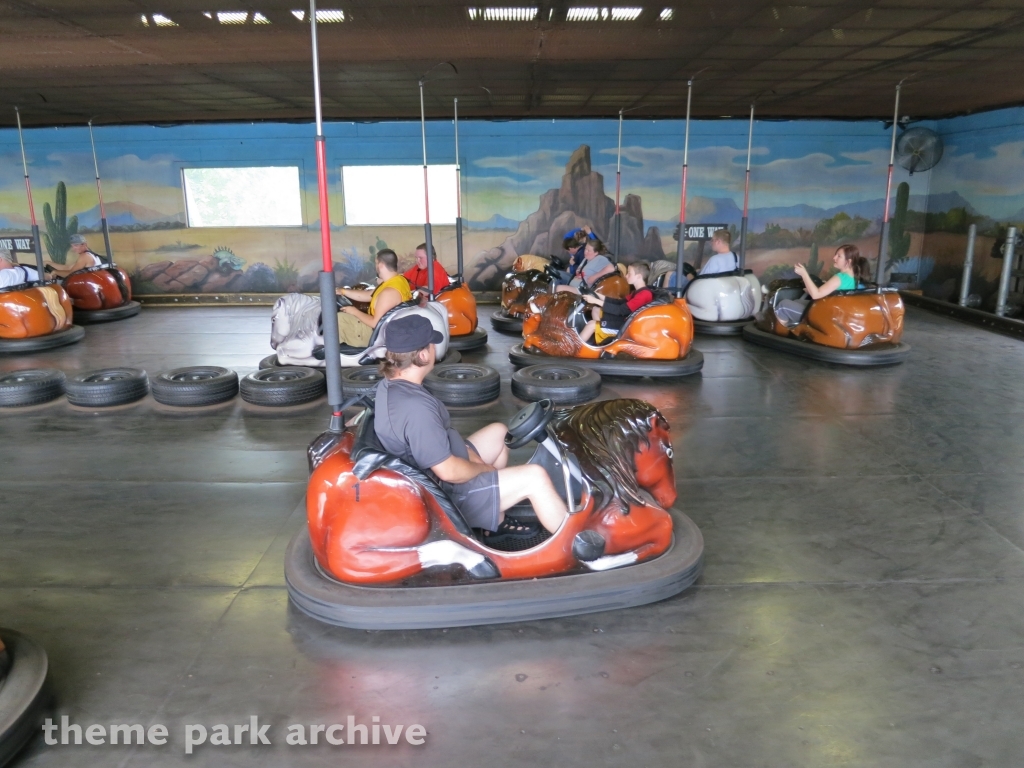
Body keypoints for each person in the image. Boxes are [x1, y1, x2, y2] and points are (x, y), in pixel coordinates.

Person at [373, 314, 568, 541]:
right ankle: (578, 545)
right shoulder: (415, 408)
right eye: (431, 344)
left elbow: (438, 445)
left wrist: (471, 456)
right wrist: (483, 469)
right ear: (423, 355)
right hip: (444, 497)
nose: (435, 348)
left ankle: (494, 521)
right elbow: (449, 472)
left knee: (499, 433)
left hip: (435, 470)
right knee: (536, 477)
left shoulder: (390, 386)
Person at [775, 243, 871, 327]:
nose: (834, 258)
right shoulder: (852, 278)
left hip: (823, 316)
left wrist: (804, 274)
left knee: (782, 306)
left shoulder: (840, 278)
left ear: (848, 261)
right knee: (797, 301)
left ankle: (786, 336)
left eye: (839, 256)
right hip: (830, 312)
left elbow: (816, 295)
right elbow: (828, 293)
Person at [335, 248, 412, 346]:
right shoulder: (398, 281)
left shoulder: (389, 292)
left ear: (380, 265)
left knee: (338, 319)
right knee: (342, 316)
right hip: (383, 330)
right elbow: (369, 295)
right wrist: (344, 291)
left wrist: (354, 311)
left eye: (376, 263)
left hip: (375, 335)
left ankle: (335, 356)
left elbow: (375, 323)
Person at [580, 261, 654, 344]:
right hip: (625, 319)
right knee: (595, 309)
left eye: (629, 274)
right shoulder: (637, 292)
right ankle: (604, 339)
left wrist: (595, 301)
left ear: (639, 276)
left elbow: (620, 310)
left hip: (627, 326)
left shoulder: (644, 294)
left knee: (591, 325)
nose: (626, 276)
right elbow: (619, 302)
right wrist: (596, 294)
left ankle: (575, 349)